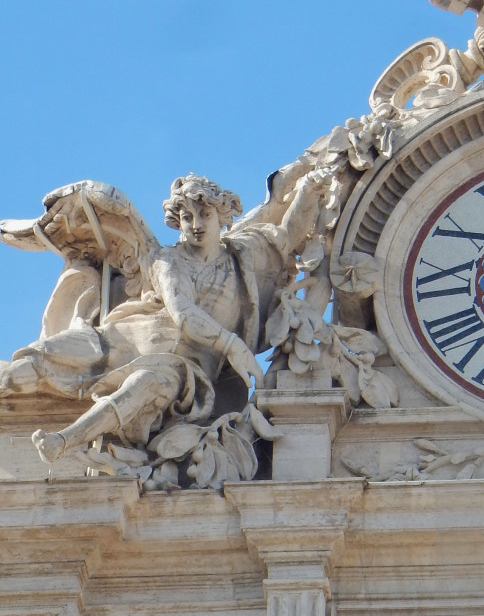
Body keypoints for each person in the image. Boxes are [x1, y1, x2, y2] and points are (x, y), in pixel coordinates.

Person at [0, 170, 326, 464]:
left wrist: (309, 189)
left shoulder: (245, 253)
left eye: (205, 214)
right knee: (38, 361)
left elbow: (290, 235)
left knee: (144, 385)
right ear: (177, 221)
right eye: (187, 217)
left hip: (183, 369)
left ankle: (63, 441)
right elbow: (183, 313)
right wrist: (233, 345)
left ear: (222, 215)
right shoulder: (165, 261)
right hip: (121, 340)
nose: (196, 224)